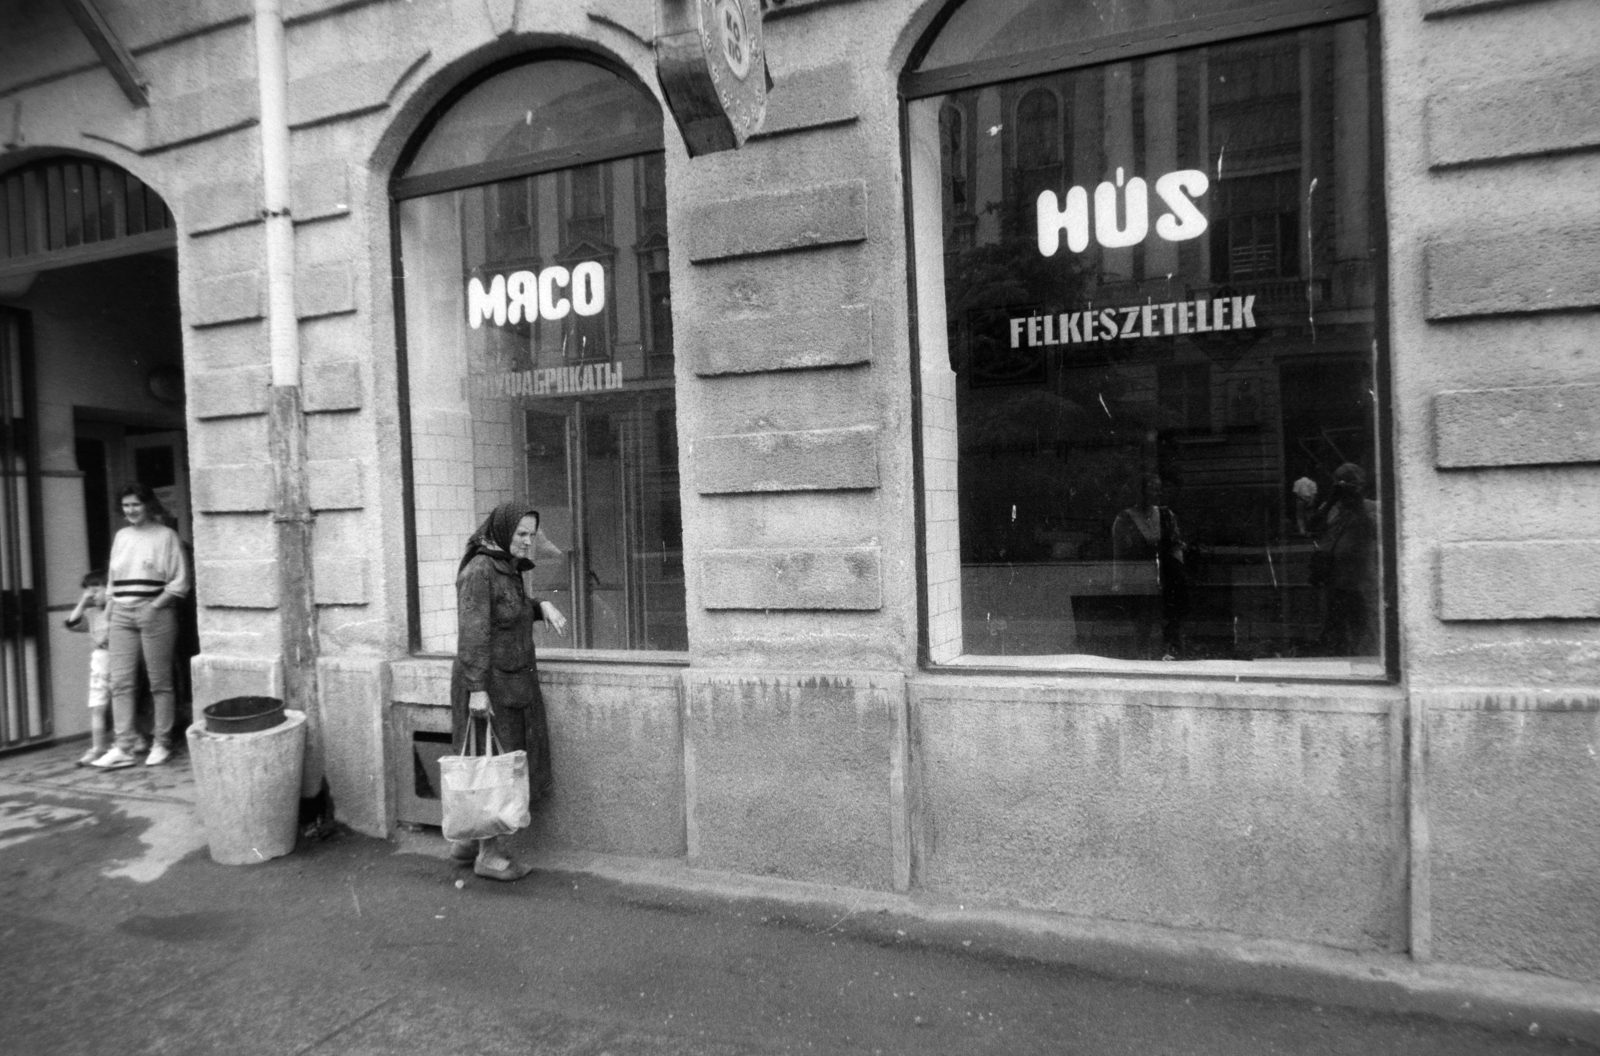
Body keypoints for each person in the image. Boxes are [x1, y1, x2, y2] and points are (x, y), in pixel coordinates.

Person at [449, 500, 567, 880]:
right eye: (521, 534)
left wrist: (540, 606)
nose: (527, 542)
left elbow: (506, 610)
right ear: (503, 530)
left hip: (506, 680)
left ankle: (468, 841)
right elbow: (473, 632)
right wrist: (477, 690)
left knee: (483, 760)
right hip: (489, 684)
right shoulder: (481, 569)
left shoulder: (504, 567)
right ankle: (489, 854)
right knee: (493, 766)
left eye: (531, 535)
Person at [91, 483, 191, 769]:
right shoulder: (121, 536)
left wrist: (154, 606)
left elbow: (180, 582)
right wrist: (107, 617)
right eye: (126, 506)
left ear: (149, 505)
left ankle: (162, 742)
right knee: (120, 682)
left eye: (136, 504)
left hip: (155, 612)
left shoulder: (166, 536)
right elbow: (112, 582)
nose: (131, 510)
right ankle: (123, 746)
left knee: (160, 682)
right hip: (121, 613)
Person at [1111, 472, 1191, 659]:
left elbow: (1176, 548)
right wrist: (1118, 583)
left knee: (1171, 623)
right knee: (1142, 624)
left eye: (1158, 488)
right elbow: (1119, 555)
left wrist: (1180, 576)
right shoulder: (1123, 520)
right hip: (1139, 580)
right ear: (1139, 492)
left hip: (1168, 580)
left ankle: (1172, 657)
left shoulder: (1166, 515)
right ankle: (1142, 659)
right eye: (1151, 488)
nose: (1156, 493)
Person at [1307, 463, 1378, 656]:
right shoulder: (1331, 507)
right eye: (1340, 482)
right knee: (1335, 632)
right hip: (1333, 581)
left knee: (1363, 631)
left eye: (1350, 483)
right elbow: (1311, 526)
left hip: (1360, 582)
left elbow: (1373, 531)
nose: (1345, 487)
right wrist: (1331, 500)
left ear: (1361, 485)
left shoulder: (1372, 507)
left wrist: (1356, 504)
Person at [64, 570, 112, 766]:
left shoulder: (117, 609)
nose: (93, 595)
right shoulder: (91, 613)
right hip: (100, 660)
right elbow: (72, 623)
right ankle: (98, 747)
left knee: (124, 702)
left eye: (96, 590)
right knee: (98, 706)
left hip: (117, 657)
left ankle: (130, 742)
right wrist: (84, 601)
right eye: (89, 591)